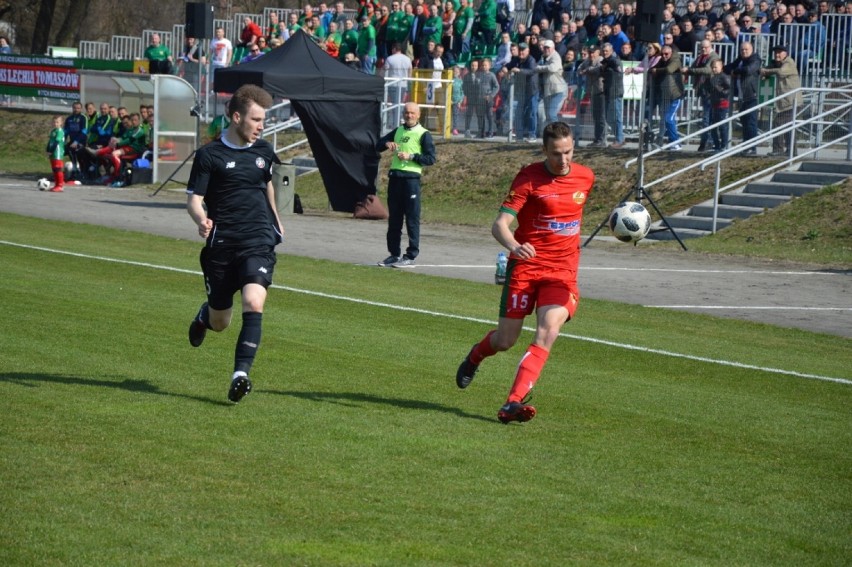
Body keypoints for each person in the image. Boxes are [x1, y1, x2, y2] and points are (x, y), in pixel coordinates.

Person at [455, 121, 594, 424]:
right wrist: (515, 246)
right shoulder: (528, 178)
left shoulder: (586, 177)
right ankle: (475, 356)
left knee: (548, 331)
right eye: (557, 153)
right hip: (526, 268)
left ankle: (512, 402)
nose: (564, 160)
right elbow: (500, 225)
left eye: (569, 152)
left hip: (561, 273)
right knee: (505, 340)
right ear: (544, 150)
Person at [186, 84, 284, 404]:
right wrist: (201, 220)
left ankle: (240, 375)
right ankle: (204, 317)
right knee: (221, 322)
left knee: (254, 303)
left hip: (257, 240)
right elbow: (194, 200)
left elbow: (266, 185)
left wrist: (276, 219)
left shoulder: (264, 152)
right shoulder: (209, 155)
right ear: (237, 117)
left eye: (263, 120)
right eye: (256, 119)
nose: (261, 126)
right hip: (221, 245)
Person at [375, 102, 436, 268]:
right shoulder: (399, 131)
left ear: (418, 114)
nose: (409, 115)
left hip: (411, 181)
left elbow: (430, 158)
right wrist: (386, 144)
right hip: (395, 179)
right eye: (406, 113)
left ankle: (410, 256)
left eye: (412, 113)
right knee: (394, 219)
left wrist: (411, 157)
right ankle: (394, 254)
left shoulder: (423, 134)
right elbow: (378, 144)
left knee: (412, 219)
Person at [760, 45, 802, 156]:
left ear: (786, 53)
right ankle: (791, 151)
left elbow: (781, 72)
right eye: (776, 53)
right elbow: (765, 71)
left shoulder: (789, 62)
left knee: (778, 123)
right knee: (788, 127)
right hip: (785, 103)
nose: (777, 55)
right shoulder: (777, 64)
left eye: (780, 52)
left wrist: (767, 71)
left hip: (792, 102)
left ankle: (778, 150)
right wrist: (765, 73)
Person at [724, 41, 761, 155]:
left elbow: (748, 70)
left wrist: (735, 71)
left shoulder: (755, 59)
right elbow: (727, 68)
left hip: (751, 95)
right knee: (744, 122)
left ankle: (752, 147)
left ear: (752, 50)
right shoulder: (740, 59)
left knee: (751, 122)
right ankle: (746, 146)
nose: (744, 52)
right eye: (742, 50)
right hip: (742, 96)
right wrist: (733, 70)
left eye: (746, 50)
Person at [683, 40, 720, 152]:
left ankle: (707, 142)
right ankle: (707, 141)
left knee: (707, 118)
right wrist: (687, 70)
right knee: (706, 118)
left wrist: (690, 70)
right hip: (703, 90)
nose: (703, 49)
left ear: (710, 46)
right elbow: (694, 66)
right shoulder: (700, 57)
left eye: (705, 47)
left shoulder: (713, 56)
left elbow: (708, 70)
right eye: (702, 48)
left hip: (711, 91)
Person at [651, 45, 684, 150]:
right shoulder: (662, 61)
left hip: (675, 95)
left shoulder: (676, 60)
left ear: (671, 53)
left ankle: (676, 142)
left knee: (668, 119)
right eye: (662, 54)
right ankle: (672, 142)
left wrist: (657, 70)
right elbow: (652, 68)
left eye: (666, 54)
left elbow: (669, 70)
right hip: (665, 95)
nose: (664, 56)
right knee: (669, 119)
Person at [536, 39, 568, 130]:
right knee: (547, 115)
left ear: (553, 48)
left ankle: (557, 132)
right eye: (545, 47)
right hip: (548, 90)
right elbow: (536, 66)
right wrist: (539, 67)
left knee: (551, 113)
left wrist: (540, 68)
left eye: (548, 48)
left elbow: (552, 68)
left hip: (557, 90)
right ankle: (550, 134)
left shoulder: (555, 56)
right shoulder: (543, 57)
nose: (546, 49)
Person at [702, 58, 731, 152]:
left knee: (722, 126)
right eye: (712, 67)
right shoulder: (712, 78)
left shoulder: (724, 77)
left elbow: (728, 90)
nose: (714, 69)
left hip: (723, 104)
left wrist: (719, 89)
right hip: (714, 104)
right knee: (713, 127)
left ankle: (724, 145)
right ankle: (717, 144)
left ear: (721, 67)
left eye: (716, 67)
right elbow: (709, 89)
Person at [600, 41, 624, 148]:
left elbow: (618, 71)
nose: (605, 53)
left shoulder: (615, 61)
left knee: (616, 116)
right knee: (609, 118)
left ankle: (619, 139)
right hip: (608, 91)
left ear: (611, 51)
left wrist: (608, 67)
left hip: (615, 92)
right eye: (603, 51)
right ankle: (620, 136)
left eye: (607, 51)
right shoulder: (606, 61)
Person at [63, 101, 88, 181]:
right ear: (72, 108)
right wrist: (62, 142)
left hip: (81, 142)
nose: (76, 110)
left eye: (78, 108)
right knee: (61, 151)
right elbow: (65, 132)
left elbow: (84, 132)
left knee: (74, 150)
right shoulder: (69, 119)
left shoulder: (83, 118)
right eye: (75, 108)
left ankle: (78, 171)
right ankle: (59, 172)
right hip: (72, 142)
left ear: (81, 109)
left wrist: (76, 141)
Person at [45, 116, 66, 193]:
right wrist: (47, 150)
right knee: (54, 169)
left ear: (61, 123)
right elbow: (50, 142)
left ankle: (60, 186)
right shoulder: (53, 131)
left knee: (58, 169)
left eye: (57, 122)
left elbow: (56, 142)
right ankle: (56, 184)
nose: (55, 124)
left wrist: (51, 150)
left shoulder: (60, 131)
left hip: (57, 152)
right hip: (52, 153)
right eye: (54, 122)